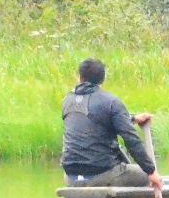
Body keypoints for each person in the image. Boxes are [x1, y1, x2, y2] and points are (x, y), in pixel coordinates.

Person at [60, 58, 163, 190]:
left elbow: (93, 119)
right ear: (102, 80)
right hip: (102, 174)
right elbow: (131, 140)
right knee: (146, 176)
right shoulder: (111, 101)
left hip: (71, 178)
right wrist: (151, 171)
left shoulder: (67, 101)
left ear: (79, 78)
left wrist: (132, 119)